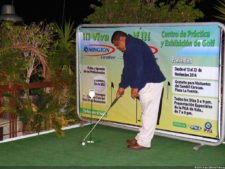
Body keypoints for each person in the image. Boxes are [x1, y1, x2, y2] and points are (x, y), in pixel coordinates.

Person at [111, 31, 165, 150]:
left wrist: (135, 87)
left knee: (149, 115)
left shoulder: (134, 45)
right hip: (146, 83)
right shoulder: (129, 49)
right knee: (146, 113)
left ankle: (144, 142)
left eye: (117, 45)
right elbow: (127, 70)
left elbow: (139, 67)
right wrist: (122, 86)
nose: (117, 48)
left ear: (121, 39)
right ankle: (140, 137)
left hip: (151, 82)